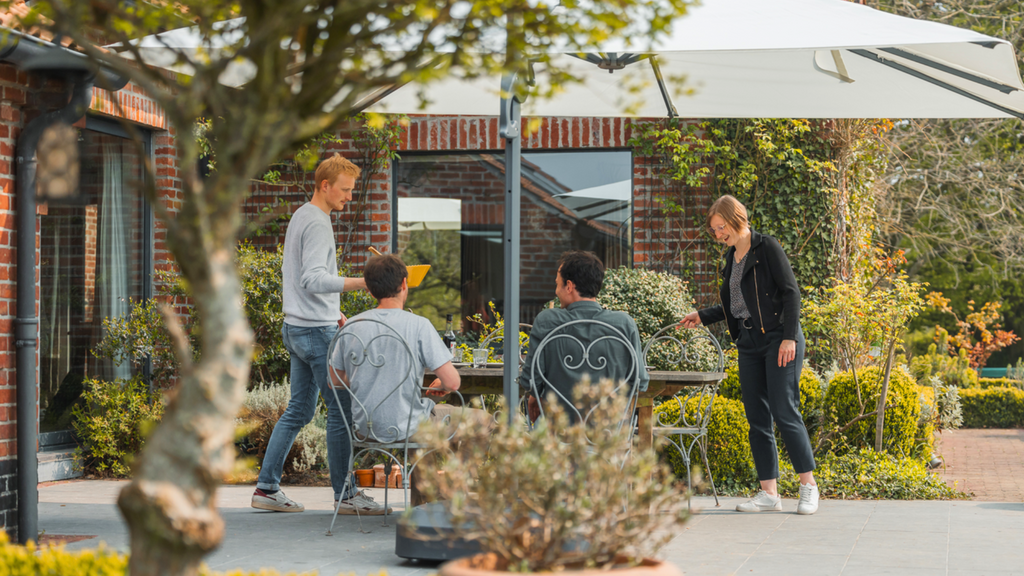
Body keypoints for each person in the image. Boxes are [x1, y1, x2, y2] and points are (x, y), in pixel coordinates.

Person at [251, 154, 386, 515]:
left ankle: (266, 489)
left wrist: (332, 309)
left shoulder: (302, 215)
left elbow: (300, 279)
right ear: (324, 186)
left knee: (299, 409)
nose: (349, 197)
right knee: (341, 413)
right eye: (344, 190)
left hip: (298, 326)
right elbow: (312, 278)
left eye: (352, 190)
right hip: (315, 334)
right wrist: (365, 281)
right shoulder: (317, 222)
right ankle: (347, 495)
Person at [679, 195, 818, 515]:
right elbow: (738, 305)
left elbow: (790, 292)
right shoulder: (730, 258)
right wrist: (703, 315)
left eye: (720, 227)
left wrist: (788, 338)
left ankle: (808, 485)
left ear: (736, 218)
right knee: (757, 417)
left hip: (779, 339)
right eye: (714, 230)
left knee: (785, 411)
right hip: (749, 343)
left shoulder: (766, 247)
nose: (717, 234)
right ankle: (769, 492)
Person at [522, 250, 650, 421]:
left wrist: (534, 395)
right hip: (608, 437)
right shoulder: (624, 324)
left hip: (559, 436)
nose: (556, 291)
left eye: (557, 284)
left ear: (569, 286)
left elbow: (530, 381)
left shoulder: (548, 321)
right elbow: (640, 382)